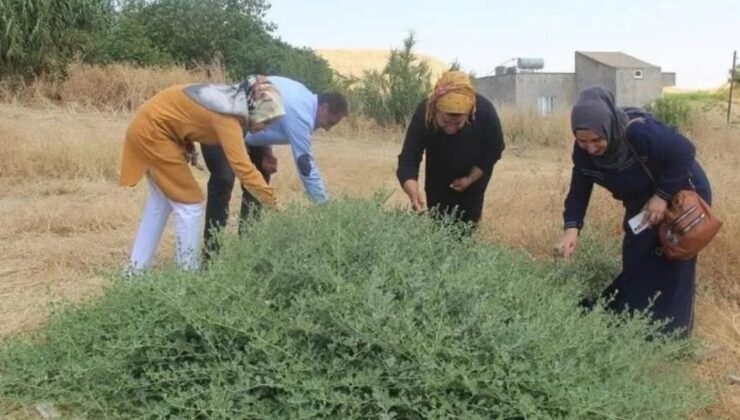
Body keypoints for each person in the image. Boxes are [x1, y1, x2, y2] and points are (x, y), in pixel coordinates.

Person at [555, 86, 712, 336]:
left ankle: (671, 332)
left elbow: (684, 151)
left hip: (682, 193)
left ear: (608, 127)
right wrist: (571, 229)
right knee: (638, 254)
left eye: (597, 140)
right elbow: (579, 190)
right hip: (640, 201)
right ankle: (636, 320)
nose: (591, 148)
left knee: (674, 256)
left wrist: (661, 196)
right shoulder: (584, 154)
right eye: (582, 140)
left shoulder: (638, 132)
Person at [119, 76, 284, 272]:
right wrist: (276, 206)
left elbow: (183, 115)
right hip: (152, 134)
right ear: (255, 107)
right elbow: (244, 169)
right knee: (190, 205)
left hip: (148, 129)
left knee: (160, 204)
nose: (266, 128)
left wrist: (186, 144)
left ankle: (134, 272)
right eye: (267, 120)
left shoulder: (230, 103)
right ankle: (188, 279)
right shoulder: (228, 115)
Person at [201, 76, 348, 255]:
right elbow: (305, 166)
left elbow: (264, 115)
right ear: (324, 108)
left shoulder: (302, 94)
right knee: (223, 181)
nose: (327, 129)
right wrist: (326, 208)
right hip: (219, 124)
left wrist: (266, 151)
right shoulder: (301, 113)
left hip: (246, 130)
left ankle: (247, 250)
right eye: (330, 122)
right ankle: (211, 256)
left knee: (261, 177)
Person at [396, 70, 505, 228]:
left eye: (458, 123)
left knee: (468, 224)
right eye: (445, 122)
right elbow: (408, 159)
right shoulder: (425, 113)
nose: (451, 129)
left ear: (469, 113)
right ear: (435, 110)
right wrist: (413, 193)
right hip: (438, 175)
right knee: (438, 222)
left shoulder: (485, 113)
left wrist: (470, 179)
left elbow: (493, 151)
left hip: (474, 173)